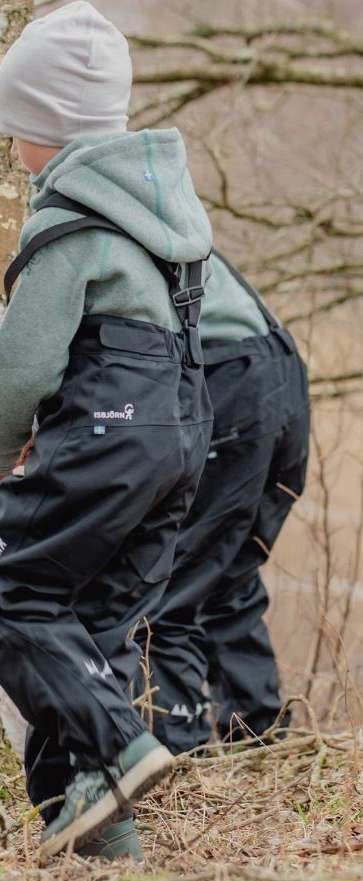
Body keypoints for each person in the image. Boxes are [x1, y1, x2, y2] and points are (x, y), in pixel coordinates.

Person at [0, 1, 214, 860]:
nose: (11, 146)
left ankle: (126, 753)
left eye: (17, 130)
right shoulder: (164, 219)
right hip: (179, 437)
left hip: (114, 430)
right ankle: (102, 839)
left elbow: (24, 365)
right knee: (88, 631)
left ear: (53, 133)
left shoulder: (68, 223)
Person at [144, 253, 310, 753]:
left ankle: (182, 756)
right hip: (279, 373)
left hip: (230, 376)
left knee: (172, 585)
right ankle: (259, 742)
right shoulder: (163, 209)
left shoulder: (85, 222)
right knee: (228, 575)